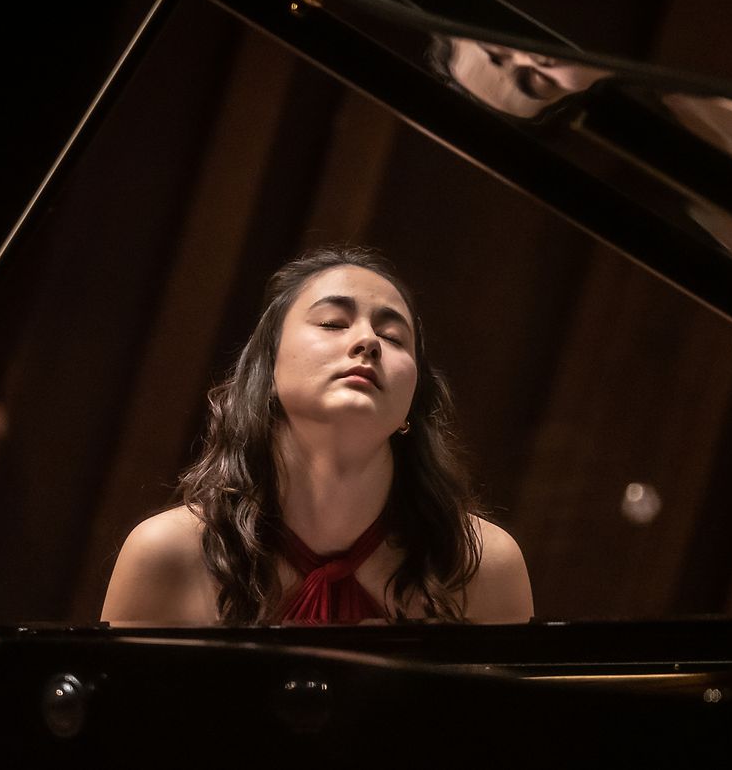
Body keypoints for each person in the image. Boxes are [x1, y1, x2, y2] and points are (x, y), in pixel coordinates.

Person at [101, 246, 533, 625]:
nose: (368, 341)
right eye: (331, 323)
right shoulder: (167, 554)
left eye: (392, 335)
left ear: (412, 406)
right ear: (266, 373)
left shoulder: (484, 565)